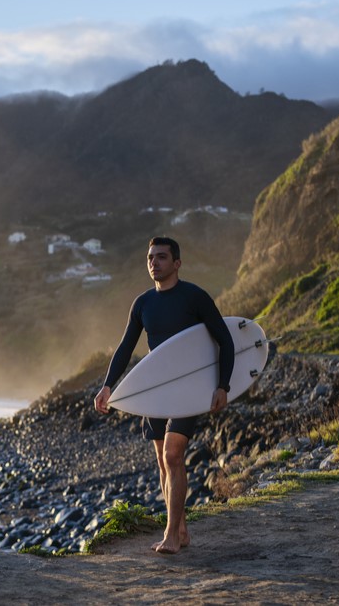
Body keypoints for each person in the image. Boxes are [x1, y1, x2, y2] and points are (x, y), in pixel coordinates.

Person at [93, 236, 234, 554]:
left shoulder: (194, 297)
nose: (153, 263)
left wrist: (222, 386)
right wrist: (108, 385)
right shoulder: (143, 303)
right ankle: (181, 530)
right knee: (162, 461)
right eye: (150, 258)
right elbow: (126, 346)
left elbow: (225, 340)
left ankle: (170, 535)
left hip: (188, 387)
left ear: (177, 263)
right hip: (156, 389)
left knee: (173, 455)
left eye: (161, 257)